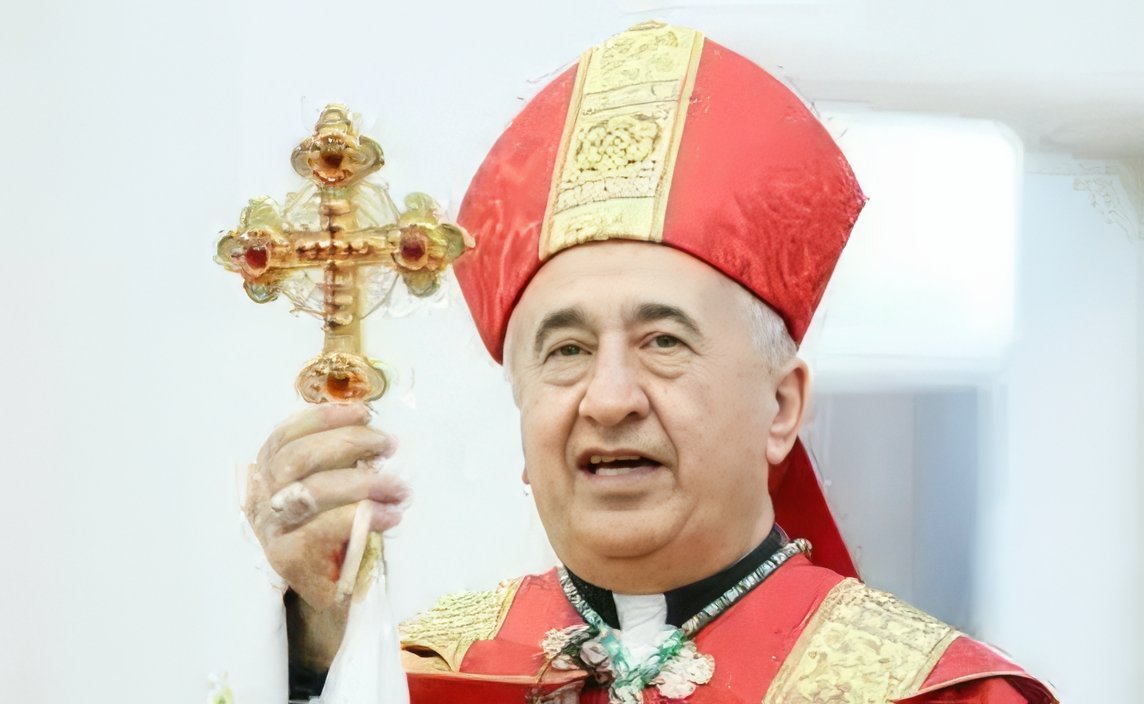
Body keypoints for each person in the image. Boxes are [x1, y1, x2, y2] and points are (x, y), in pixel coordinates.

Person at [244, 21, 1056, 703]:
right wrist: (322, 641)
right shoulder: (422, 674)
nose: (608, 398)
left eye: (663, 341)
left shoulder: (936, 695)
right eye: (565, 351)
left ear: (782, 407)